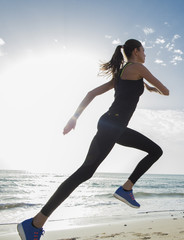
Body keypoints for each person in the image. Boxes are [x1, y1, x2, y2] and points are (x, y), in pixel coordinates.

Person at [17, 39, 169, 240]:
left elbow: (91, 93)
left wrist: (73, 119)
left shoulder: (122, 73)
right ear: (135, 51)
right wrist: (150, 85)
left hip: (112, 125)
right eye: (143, 50)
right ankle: (35, 223)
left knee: (88, 171)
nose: (145, 54)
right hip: (113, 126)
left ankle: (36, 223)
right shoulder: (139, 68)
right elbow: (166, 91)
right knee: (85, 172)